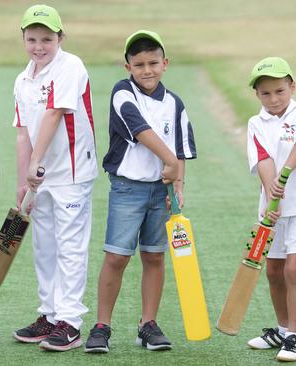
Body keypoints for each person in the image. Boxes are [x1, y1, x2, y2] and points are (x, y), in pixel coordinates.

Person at [83, 30, 195, 354]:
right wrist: (170, 160)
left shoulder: (175, 103)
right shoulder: (122, 93)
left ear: (165, 63)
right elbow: (141, 130)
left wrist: (178, 182)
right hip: (127, 188)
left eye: (153, 63)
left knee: (154, 256)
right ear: (127, 66)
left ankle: (148, 325)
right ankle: (102, 326)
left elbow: (181, 149)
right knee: (117, 256)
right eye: (139, 64)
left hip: (161, 192)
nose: (147, 70)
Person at [11, 4, 98, 352]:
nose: (39, 46)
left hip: (72, 172)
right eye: (32, 39)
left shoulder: (70, 65)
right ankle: (48, 314)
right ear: (24, 39)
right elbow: (22, 133)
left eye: (47, 38)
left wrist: (35, 163)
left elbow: (54, 113)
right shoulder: (22, 79)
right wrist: (22, 180)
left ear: (60, 38)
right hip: (39, 179)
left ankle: (71, 322)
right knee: (44, 247)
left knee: (70, 246)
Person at [244, 57, 296, 362]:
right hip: (271, 210)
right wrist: (270, 192)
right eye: (266, 93)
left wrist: (283, 176)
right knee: (273, 271)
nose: (273, 99)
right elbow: (262, 159)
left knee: (292, 269)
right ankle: (282, 328)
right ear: (257, 94)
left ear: (292, 87)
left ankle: (295, 337)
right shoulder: (255, 123)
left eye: (279, 91)